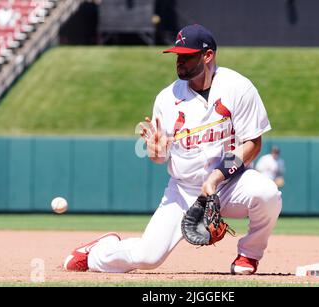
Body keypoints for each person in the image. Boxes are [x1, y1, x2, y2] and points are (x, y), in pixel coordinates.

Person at [63, 24, 282, 275]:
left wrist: (216, 177)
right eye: (178, 55)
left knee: (268, 194)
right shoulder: (167, 99)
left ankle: (249, 255)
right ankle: (100, 252)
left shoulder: (238, 88)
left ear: (207, 56)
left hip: (231, 183)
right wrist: (156, 152)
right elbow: (161, 158)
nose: (180, 61)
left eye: (187, 56)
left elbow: (252, 144)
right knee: (147, 258)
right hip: (183, 190)